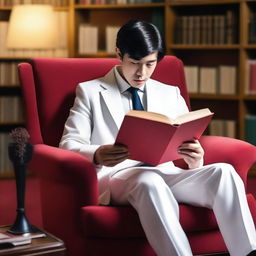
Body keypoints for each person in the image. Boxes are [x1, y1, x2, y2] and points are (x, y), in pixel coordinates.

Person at [59, 20, 256, 256]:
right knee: (149, 182)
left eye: (150, 64)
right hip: (119, 177)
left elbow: (185, 137)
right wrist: (99, 153)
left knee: (224, 172)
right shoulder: (90, 91)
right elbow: (68, 145)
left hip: (166, 172)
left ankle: (248, 252)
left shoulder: (169, 92)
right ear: (119, 54)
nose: (142, 73)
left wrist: (195, 157)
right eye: (134, 63)